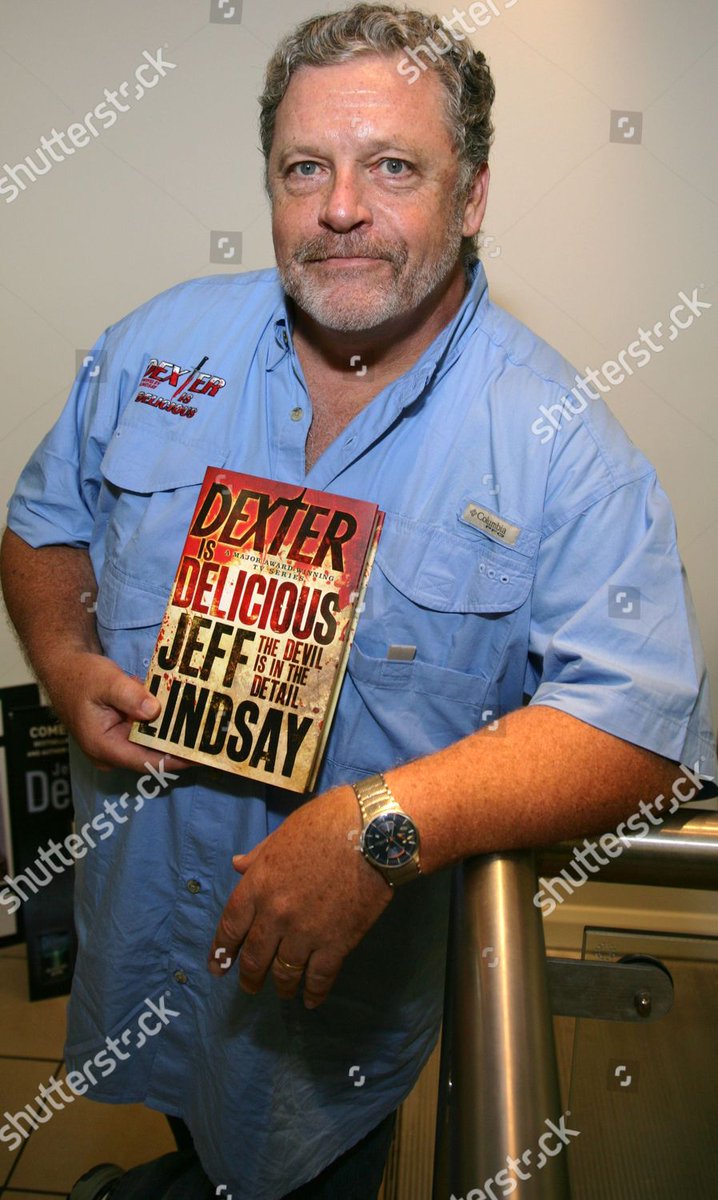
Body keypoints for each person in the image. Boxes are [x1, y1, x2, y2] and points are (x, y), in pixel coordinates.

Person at [1, 3, 715, 1198]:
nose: (339, 207)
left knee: (305, 1176)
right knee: (189, 1136)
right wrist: (66, 664)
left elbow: (640, 732)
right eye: (304, 168)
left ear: (470, 195)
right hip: (150, 931)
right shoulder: (155, 347)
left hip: (328, 1009)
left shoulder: (558, 444)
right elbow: (43, 524)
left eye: (392, 167)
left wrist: (382, 826)